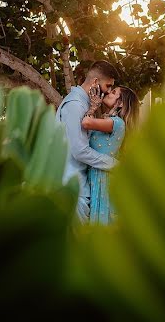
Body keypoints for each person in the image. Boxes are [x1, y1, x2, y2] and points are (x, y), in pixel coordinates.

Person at [57, 60, 120, 221]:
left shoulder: (86, 105)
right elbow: (79, 150)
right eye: (108, 86)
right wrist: (113, 164)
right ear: (95, 82)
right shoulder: (75, 105)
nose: (108, 92)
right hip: (71, 187)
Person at [83, 86, 139, 224]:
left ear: (120, 103)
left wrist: (93, 107)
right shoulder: (108, 120)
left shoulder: (117, 123)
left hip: (103, 177)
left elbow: (86, 122)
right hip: (97, 173)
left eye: (113, 92)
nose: (108, 92)